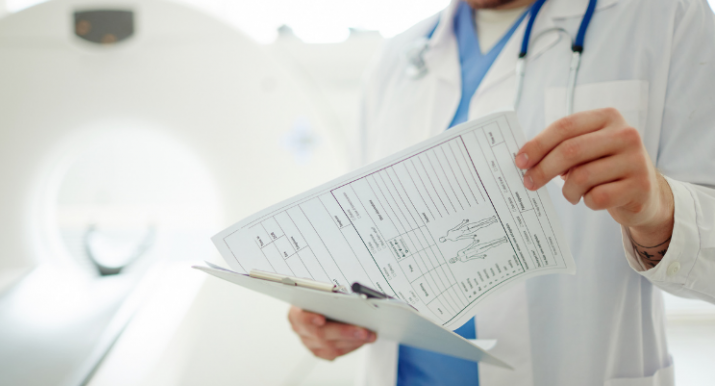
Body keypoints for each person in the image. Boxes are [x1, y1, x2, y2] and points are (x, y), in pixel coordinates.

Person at [288, 0, 715, 384]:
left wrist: (660, 211)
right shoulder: (398, 57)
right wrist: (329, 312)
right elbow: (361, 240)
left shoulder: (666, 18)